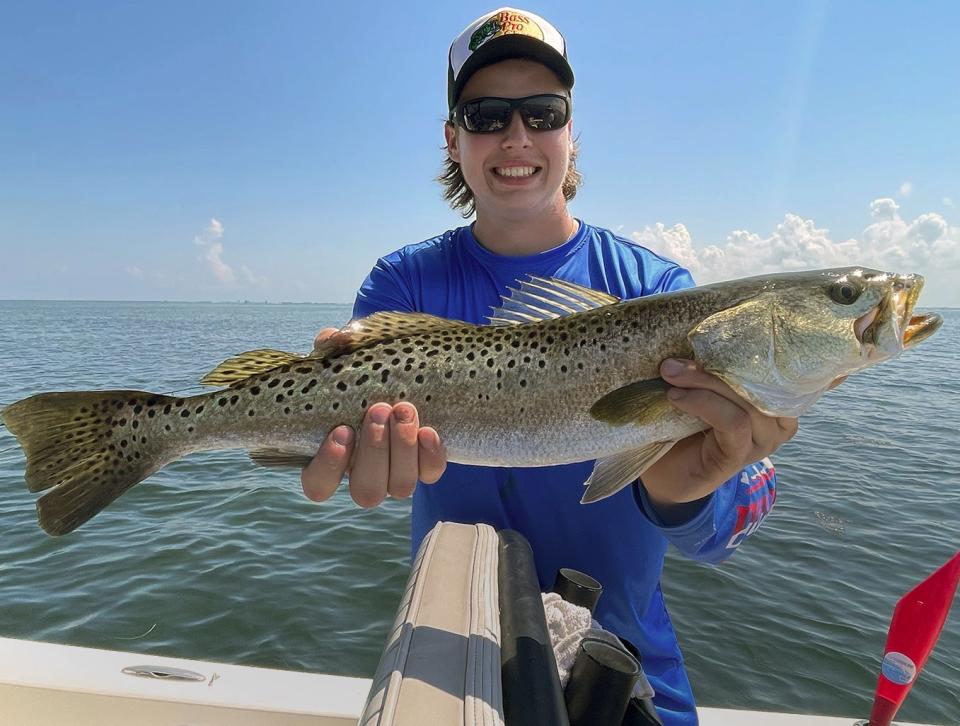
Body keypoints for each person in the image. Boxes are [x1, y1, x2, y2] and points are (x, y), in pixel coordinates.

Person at [301, 8, 797, 724]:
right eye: (485, 114)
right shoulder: (400, 281)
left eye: (542, 112)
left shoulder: (661, 293)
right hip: (449, 649)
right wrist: (342, 459)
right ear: (453, 138)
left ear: (572, 130)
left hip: (625, 667)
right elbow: (356, 452)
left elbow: (725, 533)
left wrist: (688, 491)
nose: (516, 137)